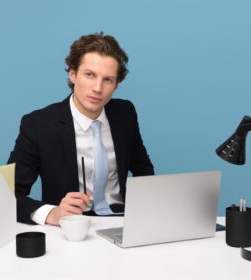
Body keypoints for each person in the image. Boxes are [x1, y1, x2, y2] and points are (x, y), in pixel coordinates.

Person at [8, 33, 154, 225]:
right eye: (89, 75)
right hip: (70, 227)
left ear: (116, 85)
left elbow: (143, 169)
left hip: (123, 221)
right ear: (73, 74)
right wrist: (52, 213)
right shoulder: (38, 125)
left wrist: (146, 209)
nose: (97, 88)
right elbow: (8, 195)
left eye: (108, 79)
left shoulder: (124, 114)